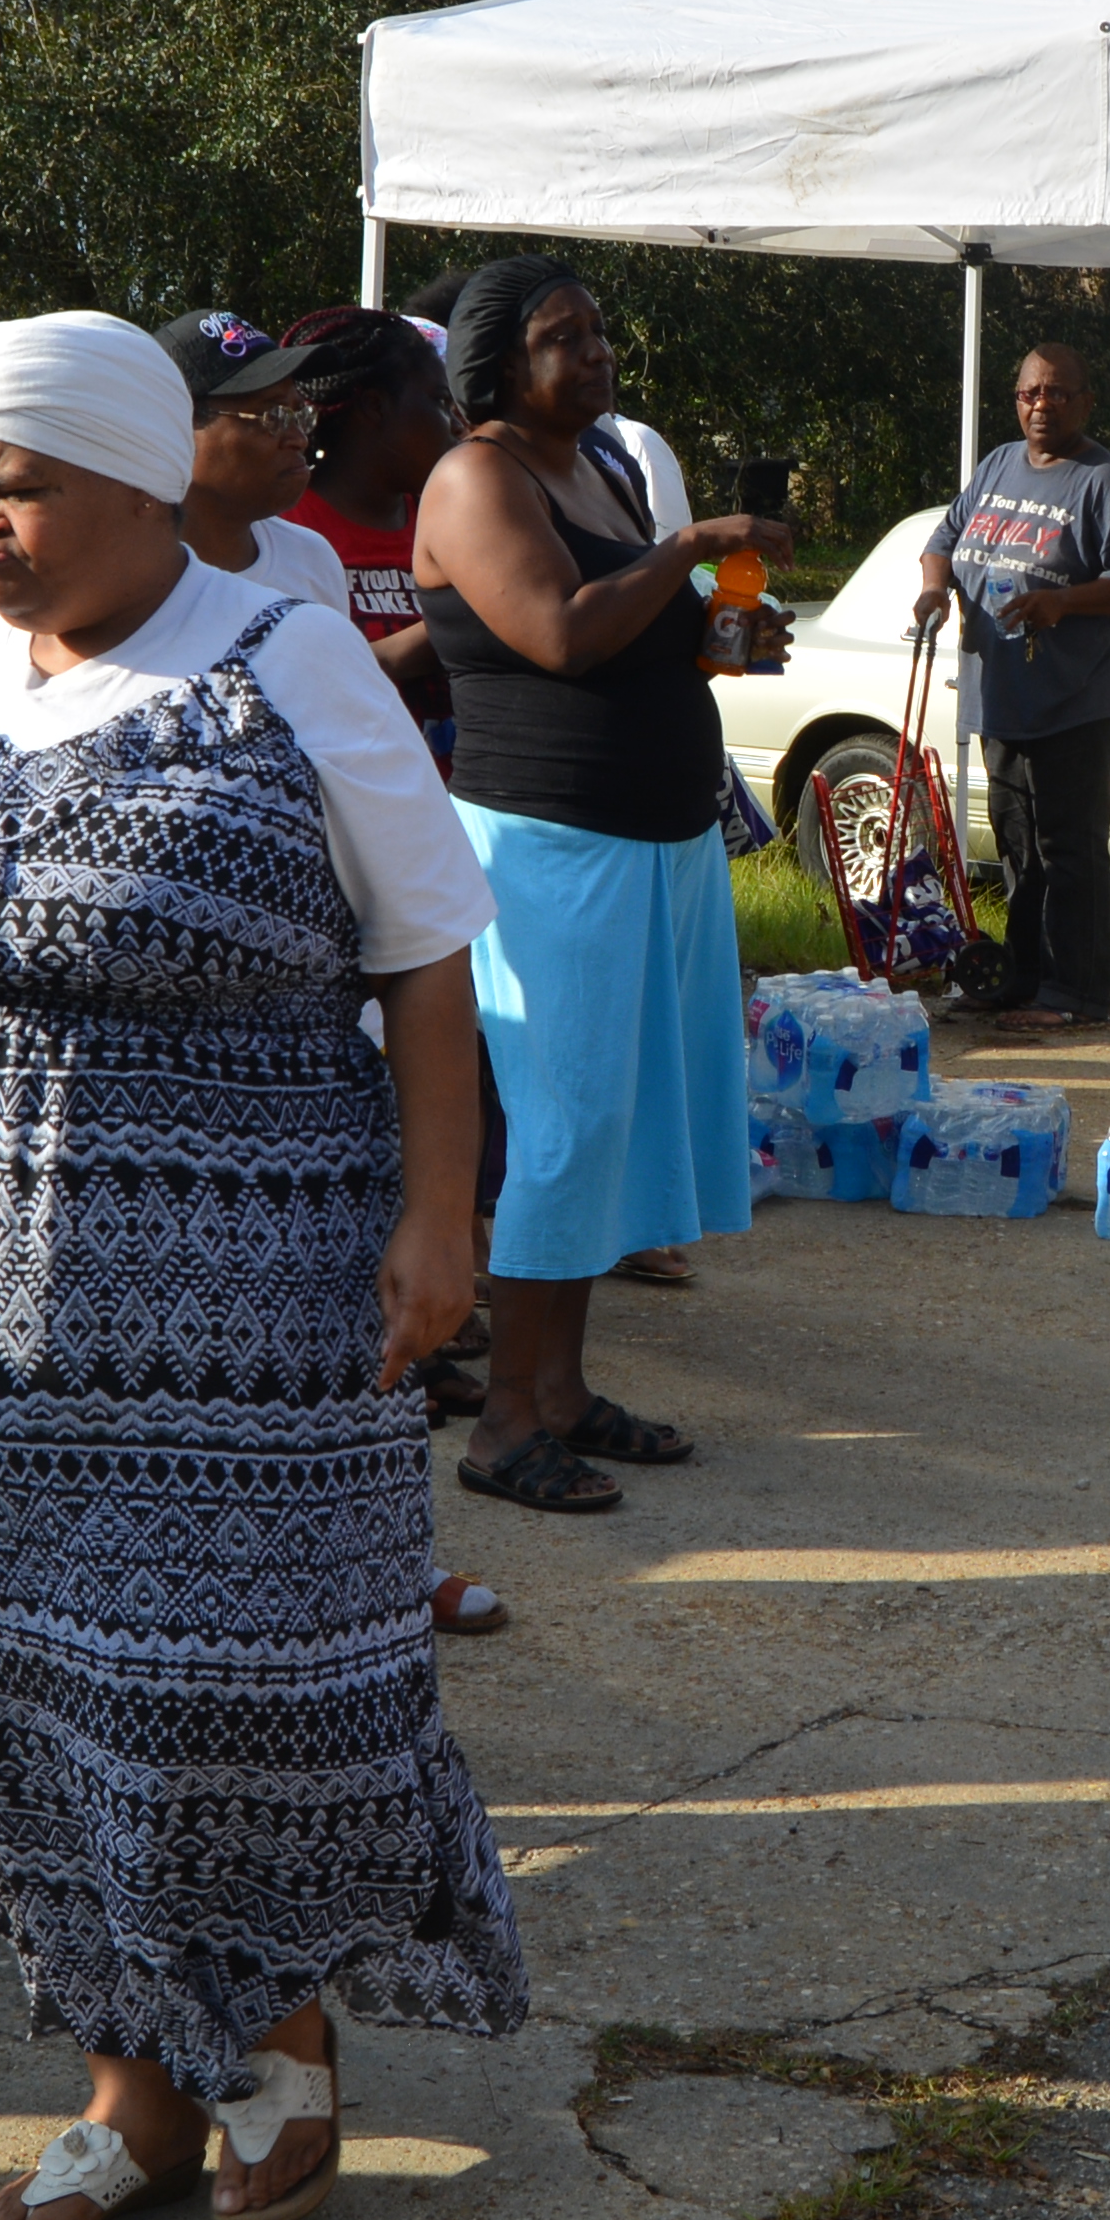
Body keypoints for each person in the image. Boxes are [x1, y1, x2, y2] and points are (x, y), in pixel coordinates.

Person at [0, 310, 511, 2220]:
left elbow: (428, 950)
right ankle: (125, 2089)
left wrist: (441, 1223)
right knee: (30, 1694)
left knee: (229, 1689)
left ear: (133, 476)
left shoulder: (285, 659)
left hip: (238, 1320)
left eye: (14, 484)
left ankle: (273, 2032)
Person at [413, 259, 778, 1515]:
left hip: (658, 845)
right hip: (549, 849)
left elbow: (639, 627)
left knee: (614, 1124)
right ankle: (506, 1424)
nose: (600, 354)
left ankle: (562, 1391)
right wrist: (688, 546)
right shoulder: (476, 478)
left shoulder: (605, 467)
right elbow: (559, 631)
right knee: (561, 1131)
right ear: (503, 365)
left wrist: (719, 632)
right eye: (567, 338)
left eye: (603, 332)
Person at [914, 345, 1110, 1039]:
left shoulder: (1107, 482)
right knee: (1019, 843)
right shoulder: (997, 464)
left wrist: (1063, 603)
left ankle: (1077, 991)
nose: (1040, 406)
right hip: (1003, 691)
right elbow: (945, 537)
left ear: (1085, 401)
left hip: (1079, 698)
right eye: (1028, 394)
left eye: (1056, 394)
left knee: (1068, 848)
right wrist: (935, 588)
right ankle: (1021, 979)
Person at [272, 303, 452, 726]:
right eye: (439, 401)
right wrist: (458, 627)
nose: (454, 424)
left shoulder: (449, 521)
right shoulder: (282, 531)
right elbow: (297, 680)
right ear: (374, 406)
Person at [158, 312, 350, 600]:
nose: (299, 439)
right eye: (271, 415)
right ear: (178, 426)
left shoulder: (311, 559)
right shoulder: (120, 578)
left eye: (299, 414)